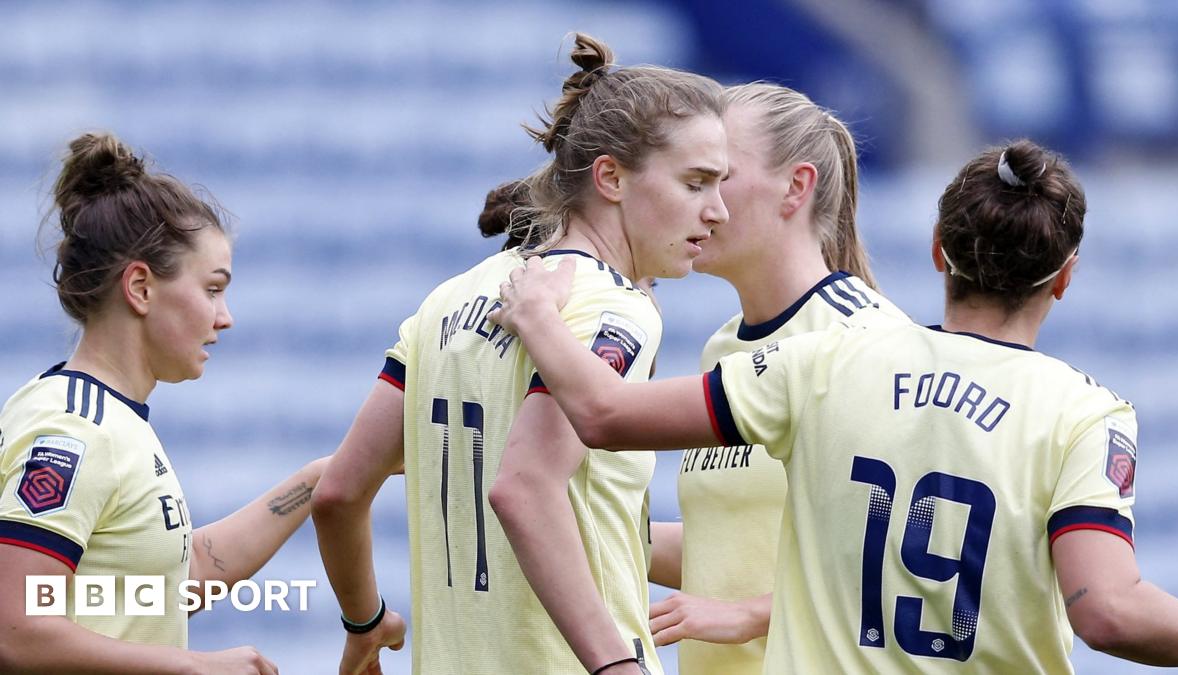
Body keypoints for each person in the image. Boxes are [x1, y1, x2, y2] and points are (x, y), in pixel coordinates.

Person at [490, 139, 1178, 673]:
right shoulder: (1083, 415)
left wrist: (540, 316)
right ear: (1066, 277)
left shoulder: (827, 360)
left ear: (936, 251)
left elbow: (606, 414)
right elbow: (1107, 612)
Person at [311, 33, 727, 675]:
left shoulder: (447, 300)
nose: (718, 210)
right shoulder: (615, 307)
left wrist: (365, 623)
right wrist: (617, 666)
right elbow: (525, 489)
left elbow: (338, 492)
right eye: (696, 183)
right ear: (611, 177)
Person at [0, 132, 328, 674]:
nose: (225, 317)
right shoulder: (74, 429)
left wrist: (321, 480)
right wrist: (190, 665)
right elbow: (14, 629)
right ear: (142, 289)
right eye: (213, 289)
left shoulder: (109, 417)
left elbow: (171, 579)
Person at [643, 82, 906, 675]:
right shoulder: (724, 346)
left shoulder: (866, 341)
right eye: (693, 177)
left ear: (797, 187)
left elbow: (904, 565)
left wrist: (749, 616)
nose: (700, 200)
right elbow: (729, 547)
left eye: (720, 175)